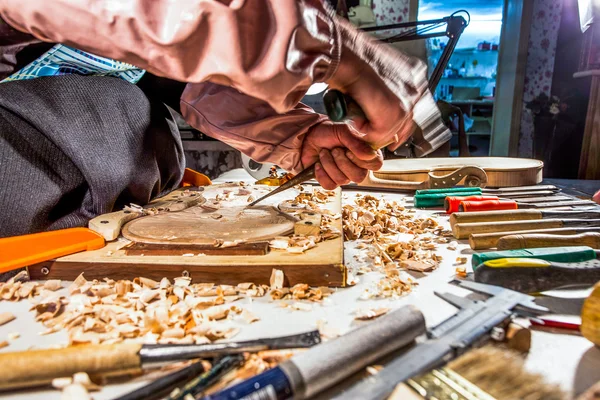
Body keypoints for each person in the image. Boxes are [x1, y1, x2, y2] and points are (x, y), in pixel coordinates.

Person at [0, 0, 430, 237]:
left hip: (108, 216)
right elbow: (150, 14)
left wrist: (299, 136)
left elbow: (186, 75)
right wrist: (339, 53)